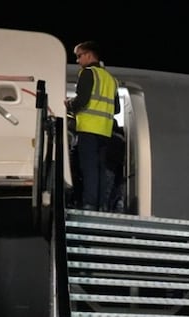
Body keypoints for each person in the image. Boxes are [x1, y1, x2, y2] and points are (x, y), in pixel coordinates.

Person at [65, 41, 120, 211]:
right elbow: (116, 108)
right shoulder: (111, 79)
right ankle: (101, 205)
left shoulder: (87, 73)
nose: (78, 60)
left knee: (88, 168)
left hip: (88, 129)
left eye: (79, 56)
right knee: (101, 169)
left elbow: (82, 101)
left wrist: (69, 105)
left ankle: (89, 204)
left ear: (89, 55)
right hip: (105, 131)